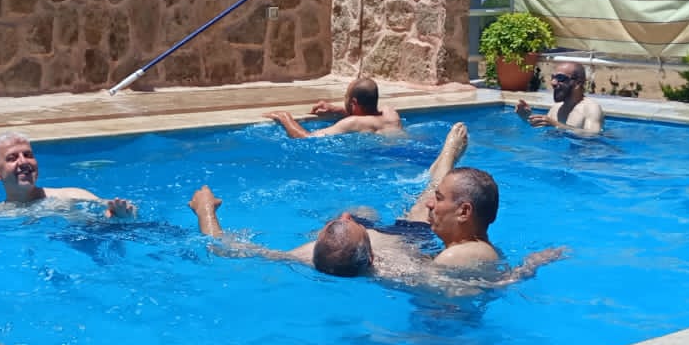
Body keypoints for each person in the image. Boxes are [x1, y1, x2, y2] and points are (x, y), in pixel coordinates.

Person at [189, 122, 565, 288]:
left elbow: (228, 249)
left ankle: (447, 159)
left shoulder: (459, 255)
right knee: (414, 209)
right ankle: (446, 160)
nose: (433, 205)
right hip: (402, 247)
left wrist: (207, 211)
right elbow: (484, 284)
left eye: (440, 200)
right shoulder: (455, 254)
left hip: (394, 250)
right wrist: (527, 267)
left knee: (401, 209)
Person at [0, 131, 137, 216]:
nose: (23, 161)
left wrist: (121, 216)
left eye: (28, 155)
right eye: (12, 158)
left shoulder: (70, 196)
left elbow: (116, 210)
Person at [265, 75, 405, 138]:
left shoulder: (352, 123)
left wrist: (285, 118)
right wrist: (337, 110)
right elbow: (367, 115)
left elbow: (307, 138)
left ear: (354, 103)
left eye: (346, 97)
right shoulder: (391, 113)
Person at [515, 61, 605, 134]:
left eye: (560, 78)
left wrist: (556, 125)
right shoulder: (556, 108)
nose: (553, 82)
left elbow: (593, 135)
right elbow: (544, 131)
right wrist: (526, 117)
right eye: (553, 77)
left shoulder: (591, 108)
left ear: (577, 83)